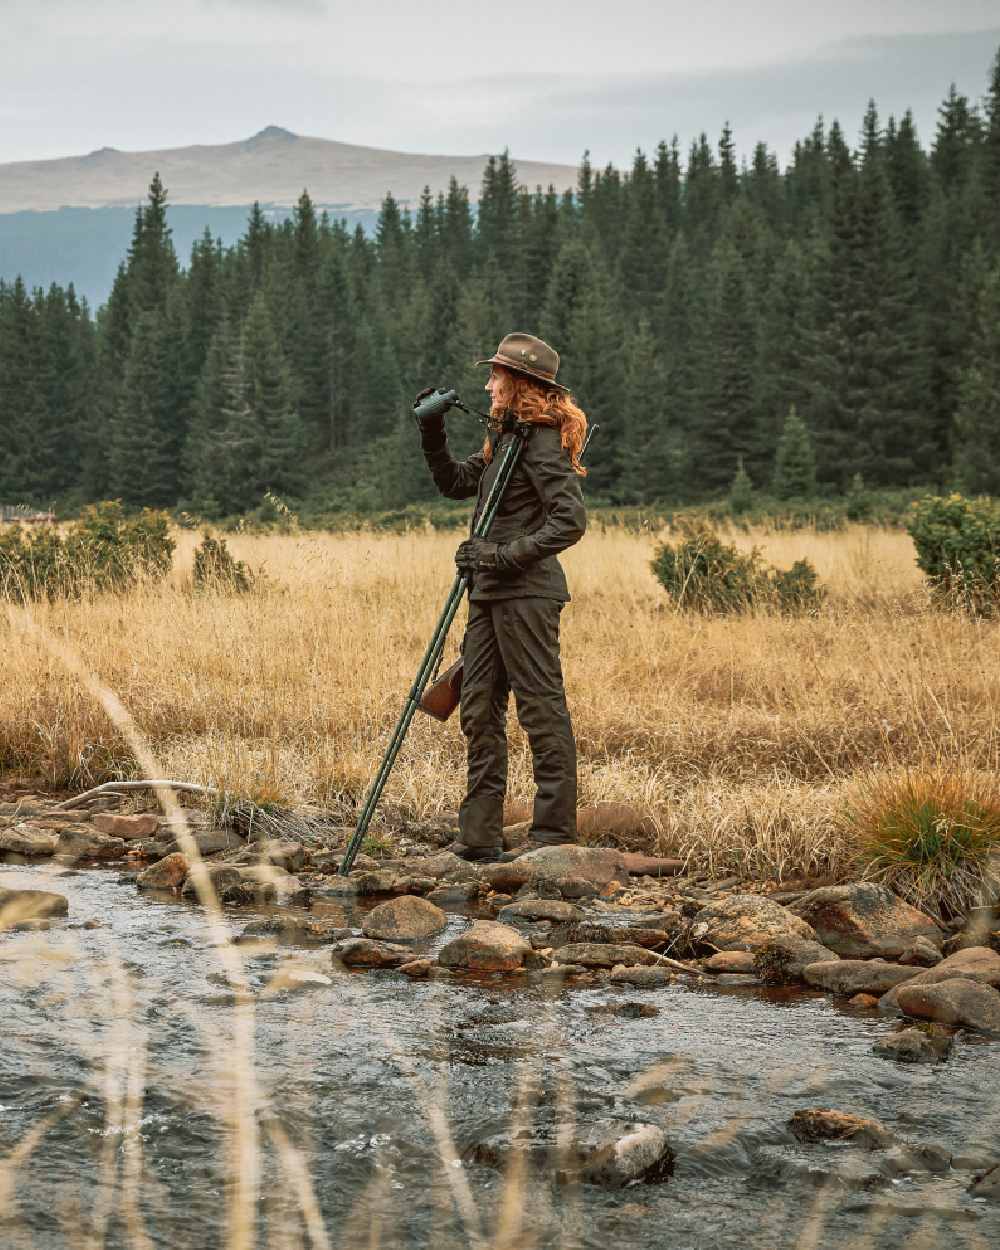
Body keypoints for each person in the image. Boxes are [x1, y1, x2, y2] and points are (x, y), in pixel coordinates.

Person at [415, 331, 588, 863]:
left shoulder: (541, 441)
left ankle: (553, 836)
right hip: (489, 593)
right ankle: (479, 837)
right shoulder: (506, 438)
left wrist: (499, 555)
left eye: (495, 376)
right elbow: (455, 482)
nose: (488, 385)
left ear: (519, 383)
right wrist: (431, 430)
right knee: (477, 708)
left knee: (540, 707)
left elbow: (570, 521)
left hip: (527, 593)